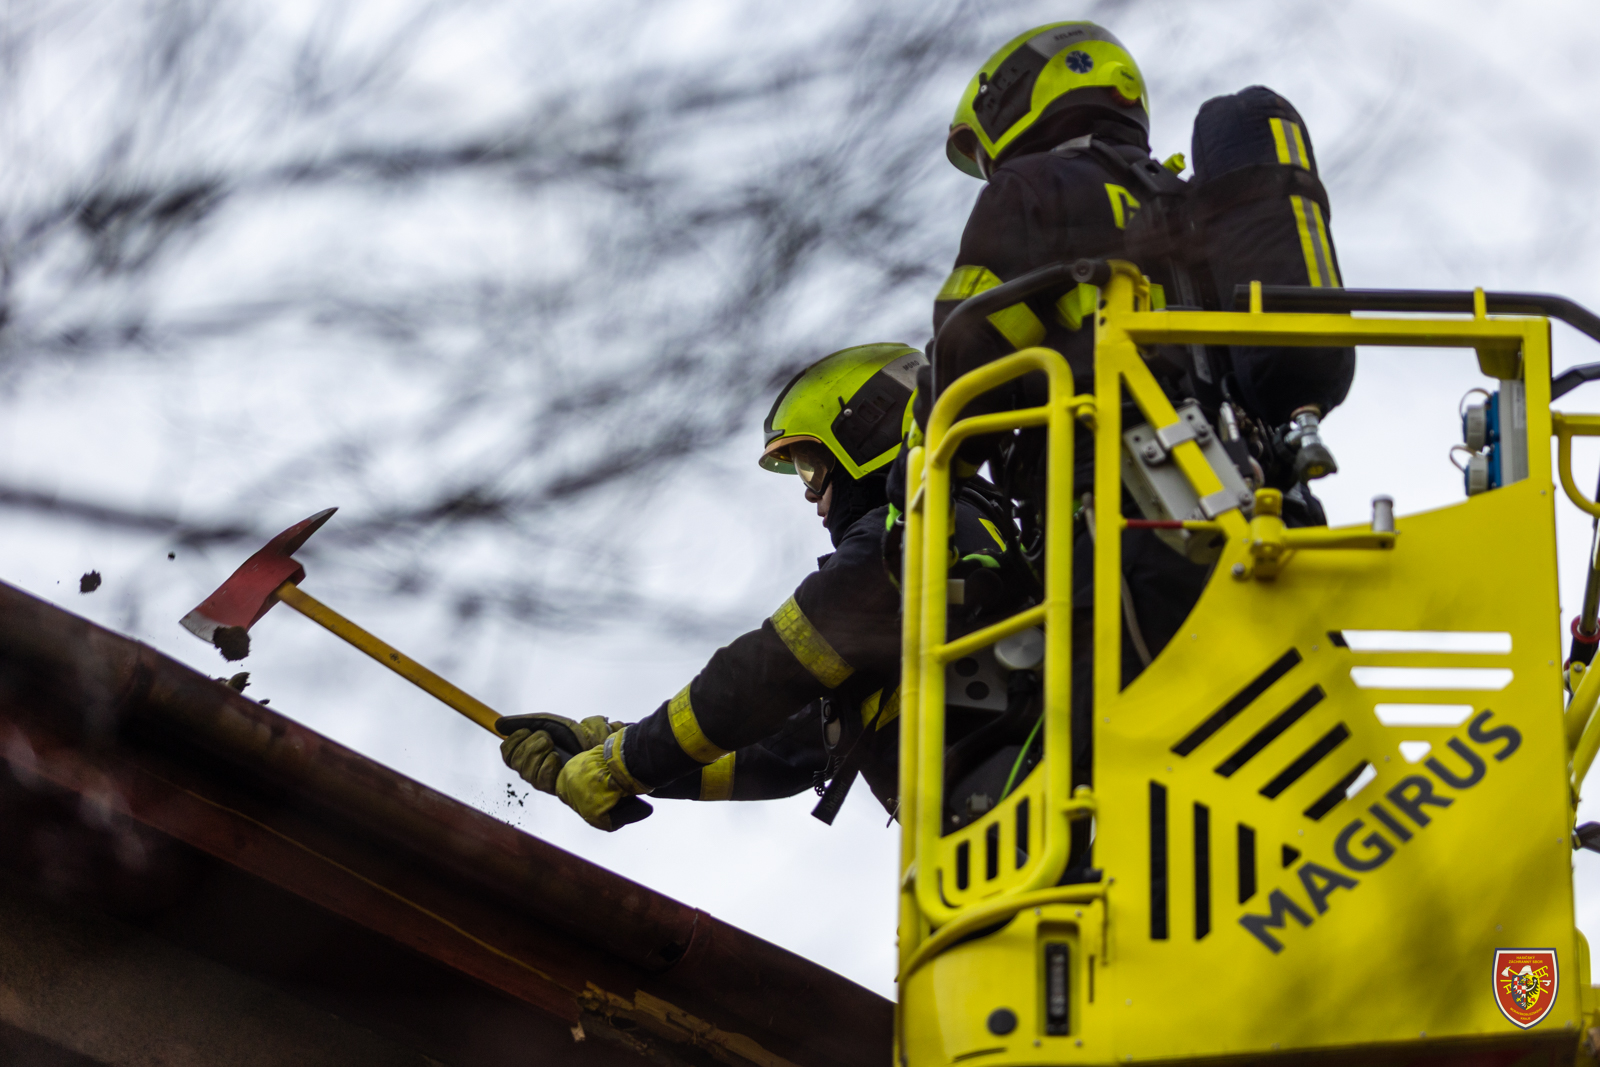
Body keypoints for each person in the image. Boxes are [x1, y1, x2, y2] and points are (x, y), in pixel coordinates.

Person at [501, 343, 1018, 830]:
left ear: (866, 435)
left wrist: (622, 764)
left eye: (811, 468)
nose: (811, 496)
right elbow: (784, 749)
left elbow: (773, 669)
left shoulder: (912, 536)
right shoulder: (947, 545)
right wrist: (610, 746)